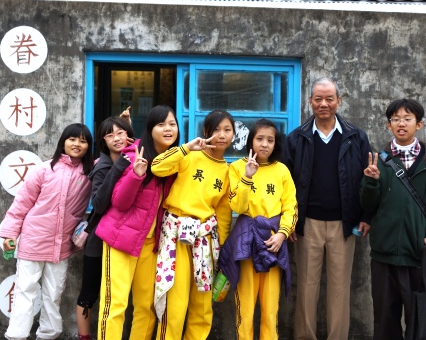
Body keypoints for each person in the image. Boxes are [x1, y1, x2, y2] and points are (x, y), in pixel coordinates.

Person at [282, 77, 372, 340]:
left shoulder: (356, 137)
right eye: (318, 99)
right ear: (310, 102)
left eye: (329, 99)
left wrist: (366, 216)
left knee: (339, 289)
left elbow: (368, 181)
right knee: (307, 289)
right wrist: (288, 224)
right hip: (307, 225)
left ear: (338, 101)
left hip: (344, 225)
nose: (324, 104)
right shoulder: (296, 139)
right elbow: (285, 184)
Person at [360, 99, 426, 340]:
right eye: (395, 119)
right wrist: (370, 183)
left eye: (407, 119)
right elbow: (368, 206)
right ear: (388, 125)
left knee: (419, 320)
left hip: (416, 253)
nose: (401, 124)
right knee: (385, 320)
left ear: (419, 124)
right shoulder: (378, 159)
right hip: (384, 254)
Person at [0, 123, 94, 340]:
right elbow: (22, 203)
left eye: (83, 140)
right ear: (63, 141)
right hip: (34, 239)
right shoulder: (44, 169)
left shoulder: (91, 171)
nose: (77, 144)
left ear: (89, 145)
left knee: (54, 294)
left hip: (61, 246)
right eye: (72, 139)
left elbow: (117, 151)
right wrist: (10, 234)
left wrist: (124, 124)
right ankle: (16, 336)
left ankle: (48, 335)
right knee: (25, 291)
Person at [94, 105, 179, 340]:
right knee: (115, 305)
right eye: (161, 124)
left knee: (147, 307)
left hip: (150, 243)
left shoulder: (175, 163)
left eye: (172, 124)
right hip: (120, 240)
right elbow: (119, 203)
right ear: (150, 129)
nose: (168, 129)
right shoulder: (134, 155)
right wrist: (136, 175)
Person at [151, 109, 235, 340]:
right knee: (176, 304)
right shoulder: (190, 156)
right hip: (176, 236)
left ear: (234, 135)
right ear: (206, 132)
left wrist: (224, 249)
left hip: (205, 240)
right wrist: (186, 147)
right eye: (216, 130)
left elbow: (224, 214)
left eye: (227, 130)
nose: (221, 135)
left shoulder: (227, 171)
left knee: (202, 306)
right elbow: (156, 166)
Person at [220, 118, 298, 340]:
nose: (264, 144)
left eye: (270, 140)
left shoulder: (282, 170)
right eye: (260, 139)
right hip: (246, 240)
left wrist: (283, 234)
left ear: (276, 144)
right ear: (251, 141)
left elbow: (290, 206)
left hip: (273, 240)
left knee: (270, 308)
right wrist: (247, 177)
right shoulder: (236, 168)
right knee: (244, 308)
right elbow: (237, 206)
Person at [75, 115, 134, 340]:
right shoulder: (103, 168)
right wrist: (118, 167)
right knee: (90, 293)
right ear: (103, 141)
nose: (117, 139)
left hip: (122, 238)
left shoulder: (134, 158)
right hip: (98, 242)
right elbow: (99, 204)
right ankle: (84, 337)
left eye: (121, 133)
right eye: (110, 135)